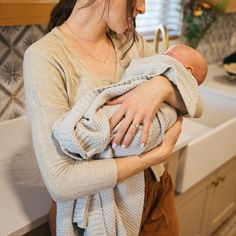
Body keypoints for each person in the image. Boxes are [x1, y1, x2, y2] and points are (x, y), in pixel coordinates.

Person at [22, 0, 199, 235]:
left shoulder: (131, 42)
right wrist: (153, 156)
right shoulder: (45, 56)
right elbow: (61, 181)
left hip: (156, 190)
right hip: (96, 211)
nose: (144, 8)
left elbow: (193, 98)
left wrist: (160, 87)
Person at [52, 44, 207, 162]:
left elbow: (197, 106)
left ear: (187, 72)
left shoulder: (135, 42)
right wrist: (159, 154)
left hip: (153, 175)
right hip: (126, 159)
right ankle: (89, 136)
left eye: (169, 55)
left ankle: (91, 138)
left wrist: (163, 86)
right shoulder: (49, 54)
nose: (161, 56)